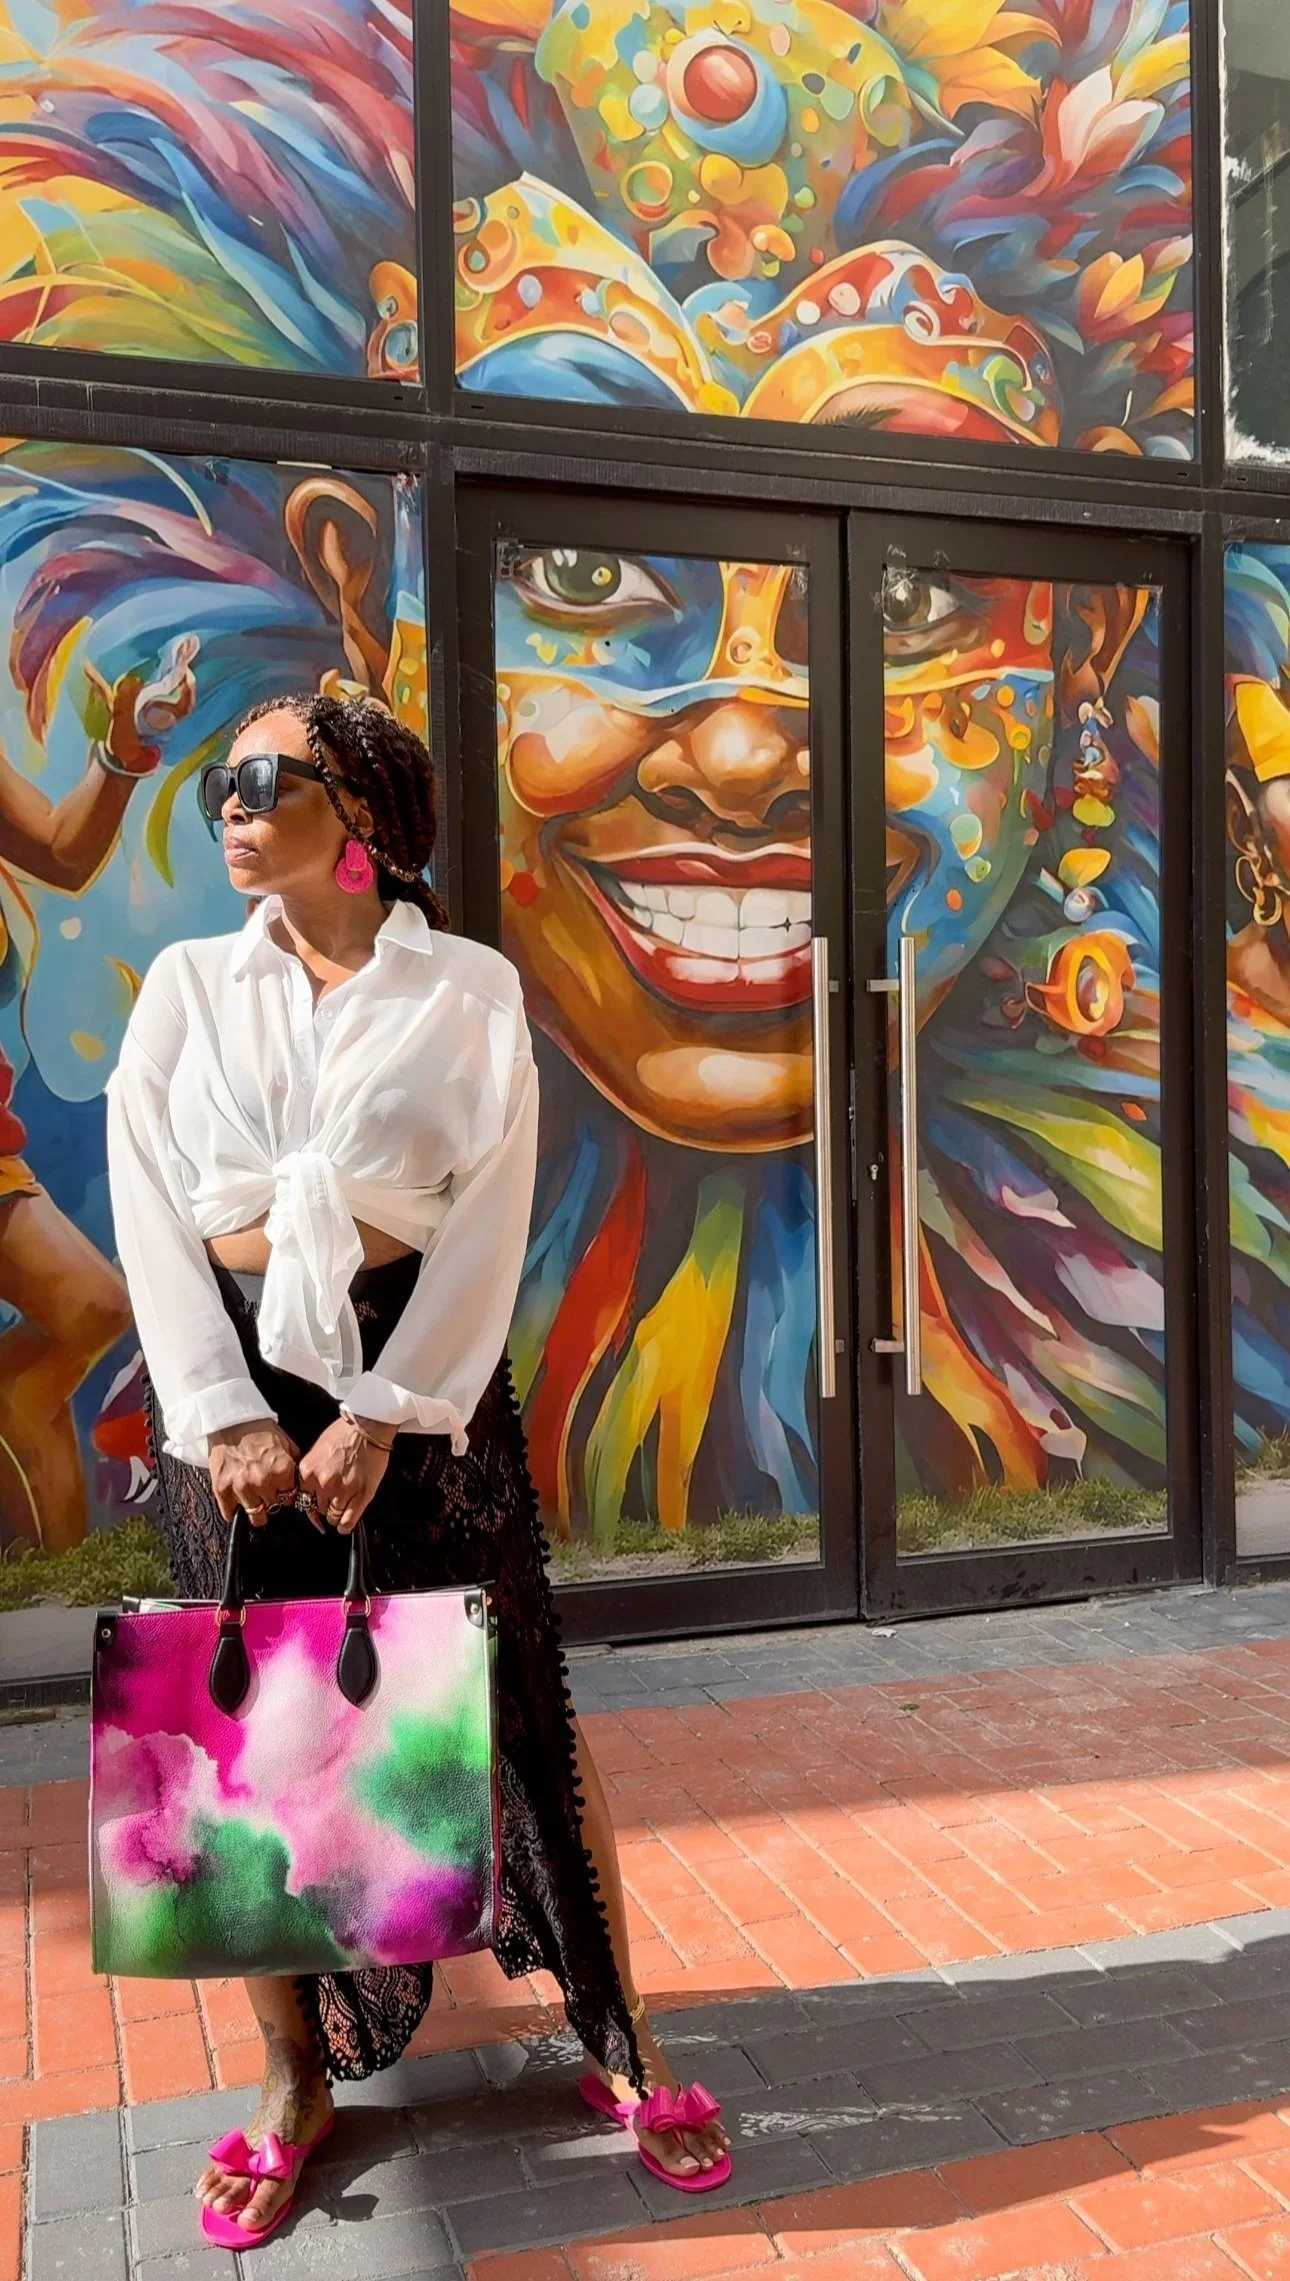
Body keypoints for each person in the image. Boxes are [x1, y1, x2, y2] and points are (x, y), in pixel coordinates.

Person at [104, 690, 731, 2248]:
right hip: (229, 1382)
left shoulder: (466, 990)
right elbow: (144, 1192)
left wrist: (385, 1407)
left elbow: (489, 1209)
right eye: (221, 782)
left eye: (265, 779)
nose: (231, 805)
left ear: (361, 819)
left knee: (512, 1699)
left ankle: (622, 2033)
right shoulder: (187, 984)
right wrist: (221, 1405)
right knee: (246, 1724)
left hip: (420, 1376)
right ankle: (288, 2080)